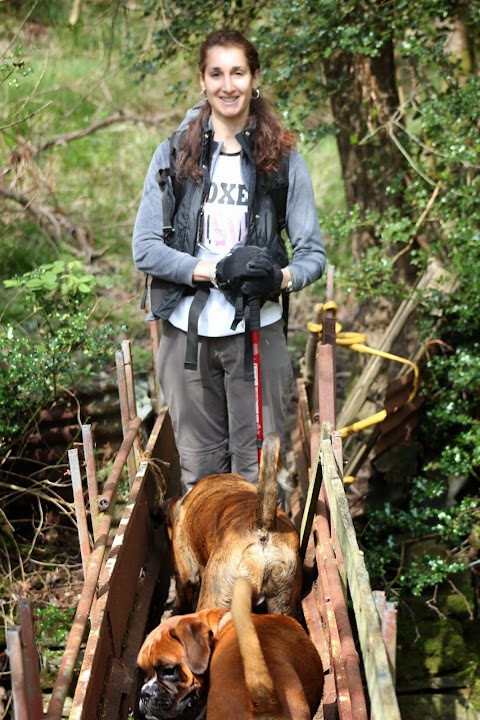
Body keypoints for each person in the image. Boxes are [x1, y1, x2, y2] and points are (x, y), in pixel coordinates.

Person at [132, 29, 326, 495]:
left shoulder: (281, 160)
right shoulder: (175, 154)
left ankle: (259, 570)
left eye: (238, 72)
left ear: (253, 77)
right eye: (216, 73)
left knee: (261, 478)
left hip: (257, 331)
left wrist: (278, 277)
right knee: (202, 477)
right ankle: (212, 568)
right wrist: (212, 270)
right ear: (202, 80)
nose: (228, 84)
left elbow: (313, 255)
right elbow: (145, 248)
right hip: (187, 334)